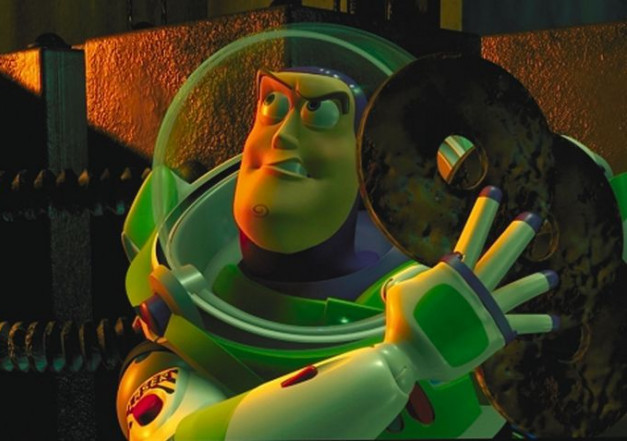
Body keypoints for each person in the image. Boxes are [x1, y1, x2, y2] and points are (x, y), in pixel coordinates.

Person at [115, 66, 560, 440]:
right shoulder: (183, 339)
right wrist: (403, 359)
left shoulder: (448, 280)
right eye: (272, 105)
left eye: (321, 113)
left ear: (368, 170)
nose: (282, 135)